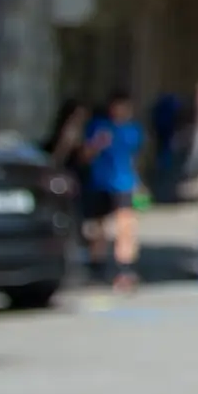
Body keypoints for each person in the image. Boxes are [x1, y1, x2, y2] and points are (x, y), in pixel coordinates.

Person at [80, 93, 145, 295]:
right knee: (97, 228)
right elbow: (85, 156)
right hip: (100, 183)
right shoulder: (99, 127)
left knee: (126, 226)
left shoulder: (133, 131)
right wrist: (97, 144)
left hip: (124, 184)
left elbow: (136, 158)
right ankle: (96, 269)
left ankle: (124, 271)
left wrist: (140, 183)